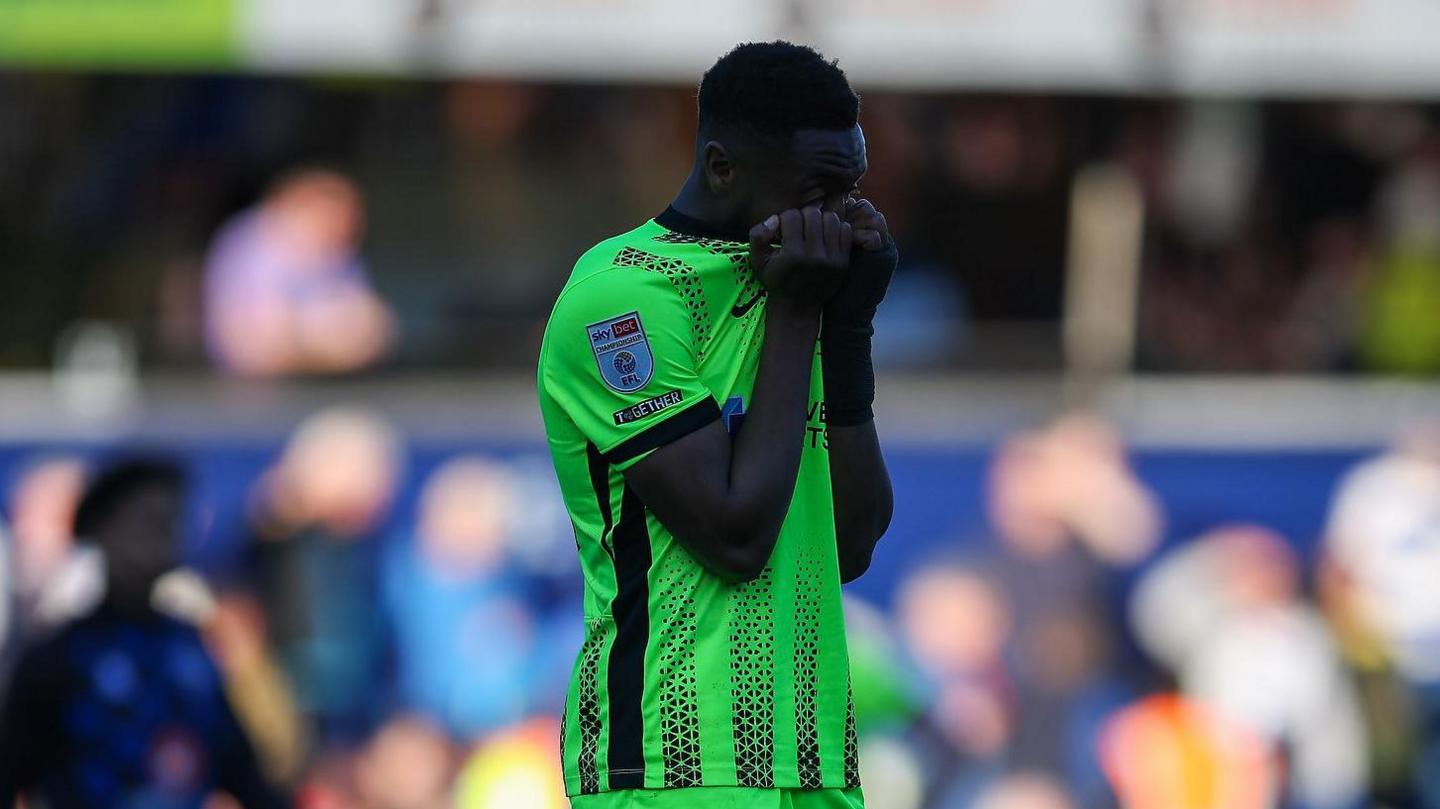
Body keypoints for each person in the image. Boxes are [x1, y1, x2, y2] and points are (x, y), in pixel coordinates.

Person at [536, 41, 895, 808]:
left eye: (853, 188)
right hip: (674, 762)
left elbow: (854, 544)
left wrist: (850, 327)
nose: (843, 217)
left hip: (814, 761)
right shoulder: (623, 302)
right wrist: (800, 313)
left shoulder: (797, 277)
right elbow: (735, 535)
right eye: (819, 191)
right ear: (724, 168)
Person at [0, 458, 288, 808]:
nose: (158, 542)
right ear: (99, 527)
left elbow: (238, 764)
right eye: (144, 524)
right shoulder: (62, 657)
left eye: (169, 524)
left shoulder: (188, 648)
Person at [203, 169, 394, 378]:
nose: (346, 226)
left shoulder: (339, 252)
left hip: (323, 377)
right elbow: (250, 337)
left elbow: (370, 330)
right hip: (250, 383)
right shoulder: (254, 240)